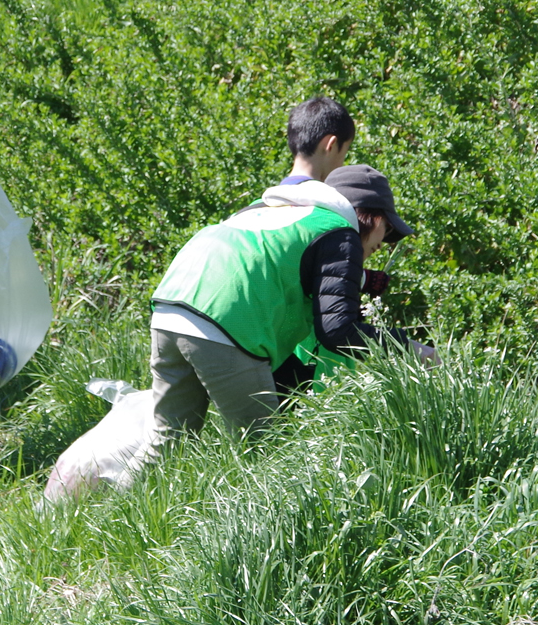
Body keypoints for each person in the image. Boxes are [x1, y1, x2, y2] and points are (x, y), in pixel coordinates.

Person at [147, 162, 433, 440]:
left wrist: (360, 280)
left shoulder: (272, 210)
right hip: (223, 323)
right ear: (378, 219)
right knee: (263, 454)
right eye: (386, 233)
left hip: (169, 308)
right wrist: (407, 347)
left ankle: (117, 488)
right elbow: (337, 331)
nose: (382, 245)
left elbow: (277, 264)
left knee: (168, 443)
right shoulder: (340, 230)